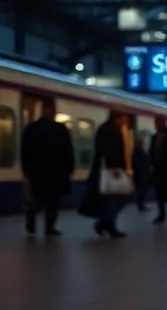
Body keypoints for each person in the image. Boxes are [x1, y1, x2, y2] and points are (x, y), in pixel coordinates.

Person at [20, 97, 74, 236]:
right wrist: (69, 169)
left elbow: (25, 151)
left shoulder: (31, 128)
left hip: (37, 171)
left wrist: (26, 170)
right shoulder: (60, 129)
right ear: (50, 109)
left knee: (40, 197)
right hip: (57, 171)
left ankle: (32, 212)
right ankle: (49, 227)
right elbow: (68, 151)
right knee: (53, 201)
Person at [87, 111, 131, 238]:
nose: (126, 121)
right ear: (118, 117)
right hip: (112, 171)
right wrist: (119, 169)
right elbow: (112, 152)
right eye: (125, 117)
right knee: (118, 198)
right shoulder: (112, 131)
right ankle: (106, 224)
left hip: (105, 170)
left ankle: (107, 225)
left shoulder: (105, 129)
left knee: (111, 200)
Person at [132, 138, 152, 212]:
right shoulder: (138, 152)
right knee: (142, 189)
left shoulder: (139, 151)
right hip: (142, 174)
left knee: (142, 189)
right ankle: (141, 204)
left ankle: (141, 204)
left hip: (142, 173)